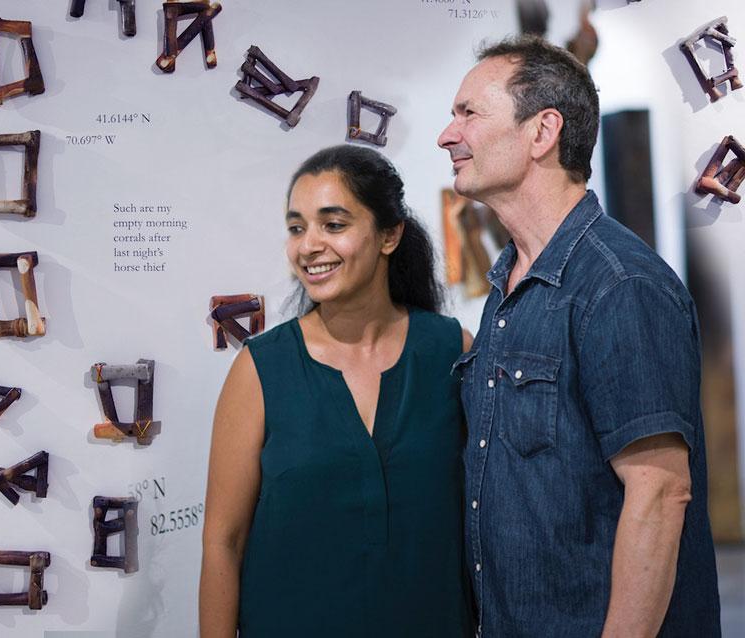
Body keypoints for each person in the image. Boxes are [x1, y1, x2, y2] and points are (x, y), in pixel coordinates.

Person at [437, 36, 721, 636]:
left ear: (541, 133)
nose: (447, 135)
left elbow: (660, 494)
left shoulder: (620, 286)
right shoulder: (510, 286)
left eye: (468, 114)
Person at [199, 145, 474, 637]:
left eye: (333, 224)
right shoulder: (261, 369)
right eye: (297, 227)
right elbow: (224, 540)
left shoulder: (452, 351)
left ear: (389, 235)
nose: (308, 246)